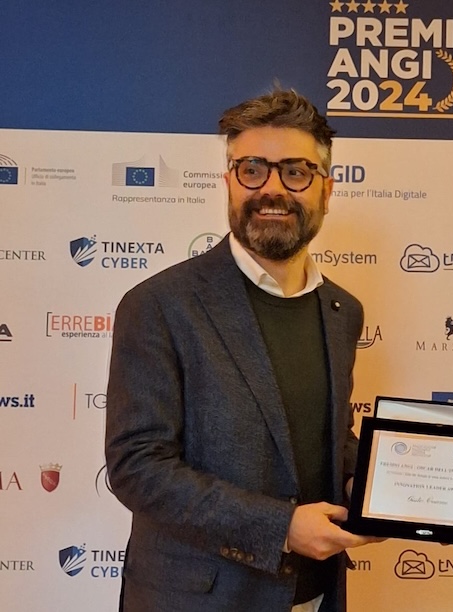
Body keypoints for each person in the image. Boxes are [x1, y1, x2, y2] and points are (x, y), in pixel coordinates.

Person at [105, 89, 377, 612]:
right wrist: (281, 527)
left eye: (295, 172)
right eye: (252, 169)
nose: (272, 188)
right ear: (229, 181)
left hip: (316, 595)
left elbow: (326, 436)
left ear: (326, 189)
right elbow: (138, 466)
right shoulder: (159, 304)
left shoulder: (342, 310)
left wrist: (373, 487)